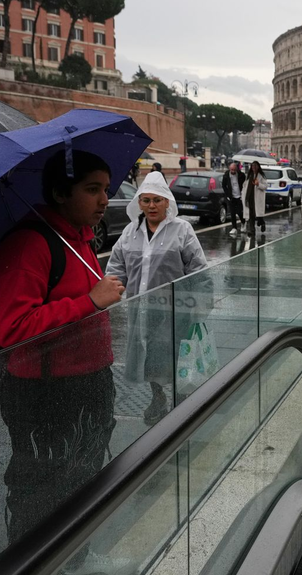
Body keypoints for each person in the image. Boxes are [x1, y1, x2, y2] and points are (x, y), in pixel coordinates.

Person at [0, 150, 128, 575]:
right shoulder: (31, 242)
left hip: (88, 382)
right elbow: (11, 328)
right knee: (42, 490)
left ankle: (75, 557)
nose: (105, 199)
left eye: (105, 189)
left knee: (83, 480)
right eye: (92, 189)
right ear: (59, 193)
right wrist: (89, 301)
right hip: (45, 395)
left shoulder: (80, 238)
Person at [105, 172, 207, 425]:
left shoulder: (182, 230)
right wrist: (113, 290)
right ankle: (158, 396)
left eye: (157, 200)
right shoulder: (130, 233)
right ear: (138, 203)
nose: (151, 206)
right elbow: (116, 267)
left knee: (176, 352)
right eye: (146, 200)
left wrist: (200, 304)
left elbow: (199, 269)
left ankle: (182, 397)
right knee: (148, 353)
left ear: (167, 203)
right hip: (141, 308)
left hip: (176, 308)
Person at [222, 162, 246, 236]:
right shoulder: (226, 175)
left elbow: (245, 184)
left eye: (234, 170)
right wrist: (228, 195)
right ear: (229, 169)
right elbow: (224, 185)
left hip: (239, 196)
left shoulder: (241, 175)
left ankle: (243, 222)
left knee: (239, 212)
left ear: (236, 169)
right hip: (231, 197)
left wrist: (243, 193)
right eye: (231, 170)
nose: (232, 171)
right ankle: (234, 228)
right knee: (232, 213)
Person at [245, 161, 268, 233]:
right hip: (250, 197)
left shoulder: (261, 176)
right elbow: (246, 186)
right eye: (252, 166)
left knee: (258, 215)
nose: (253, 167)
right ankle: (252, 230)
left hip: (258, 198)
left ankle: (262, 223)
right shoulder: (249, 175)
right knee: (251, 214)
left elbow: (265, 186)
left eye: (255, 166)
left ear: (258, 167)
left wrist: (258, 184)